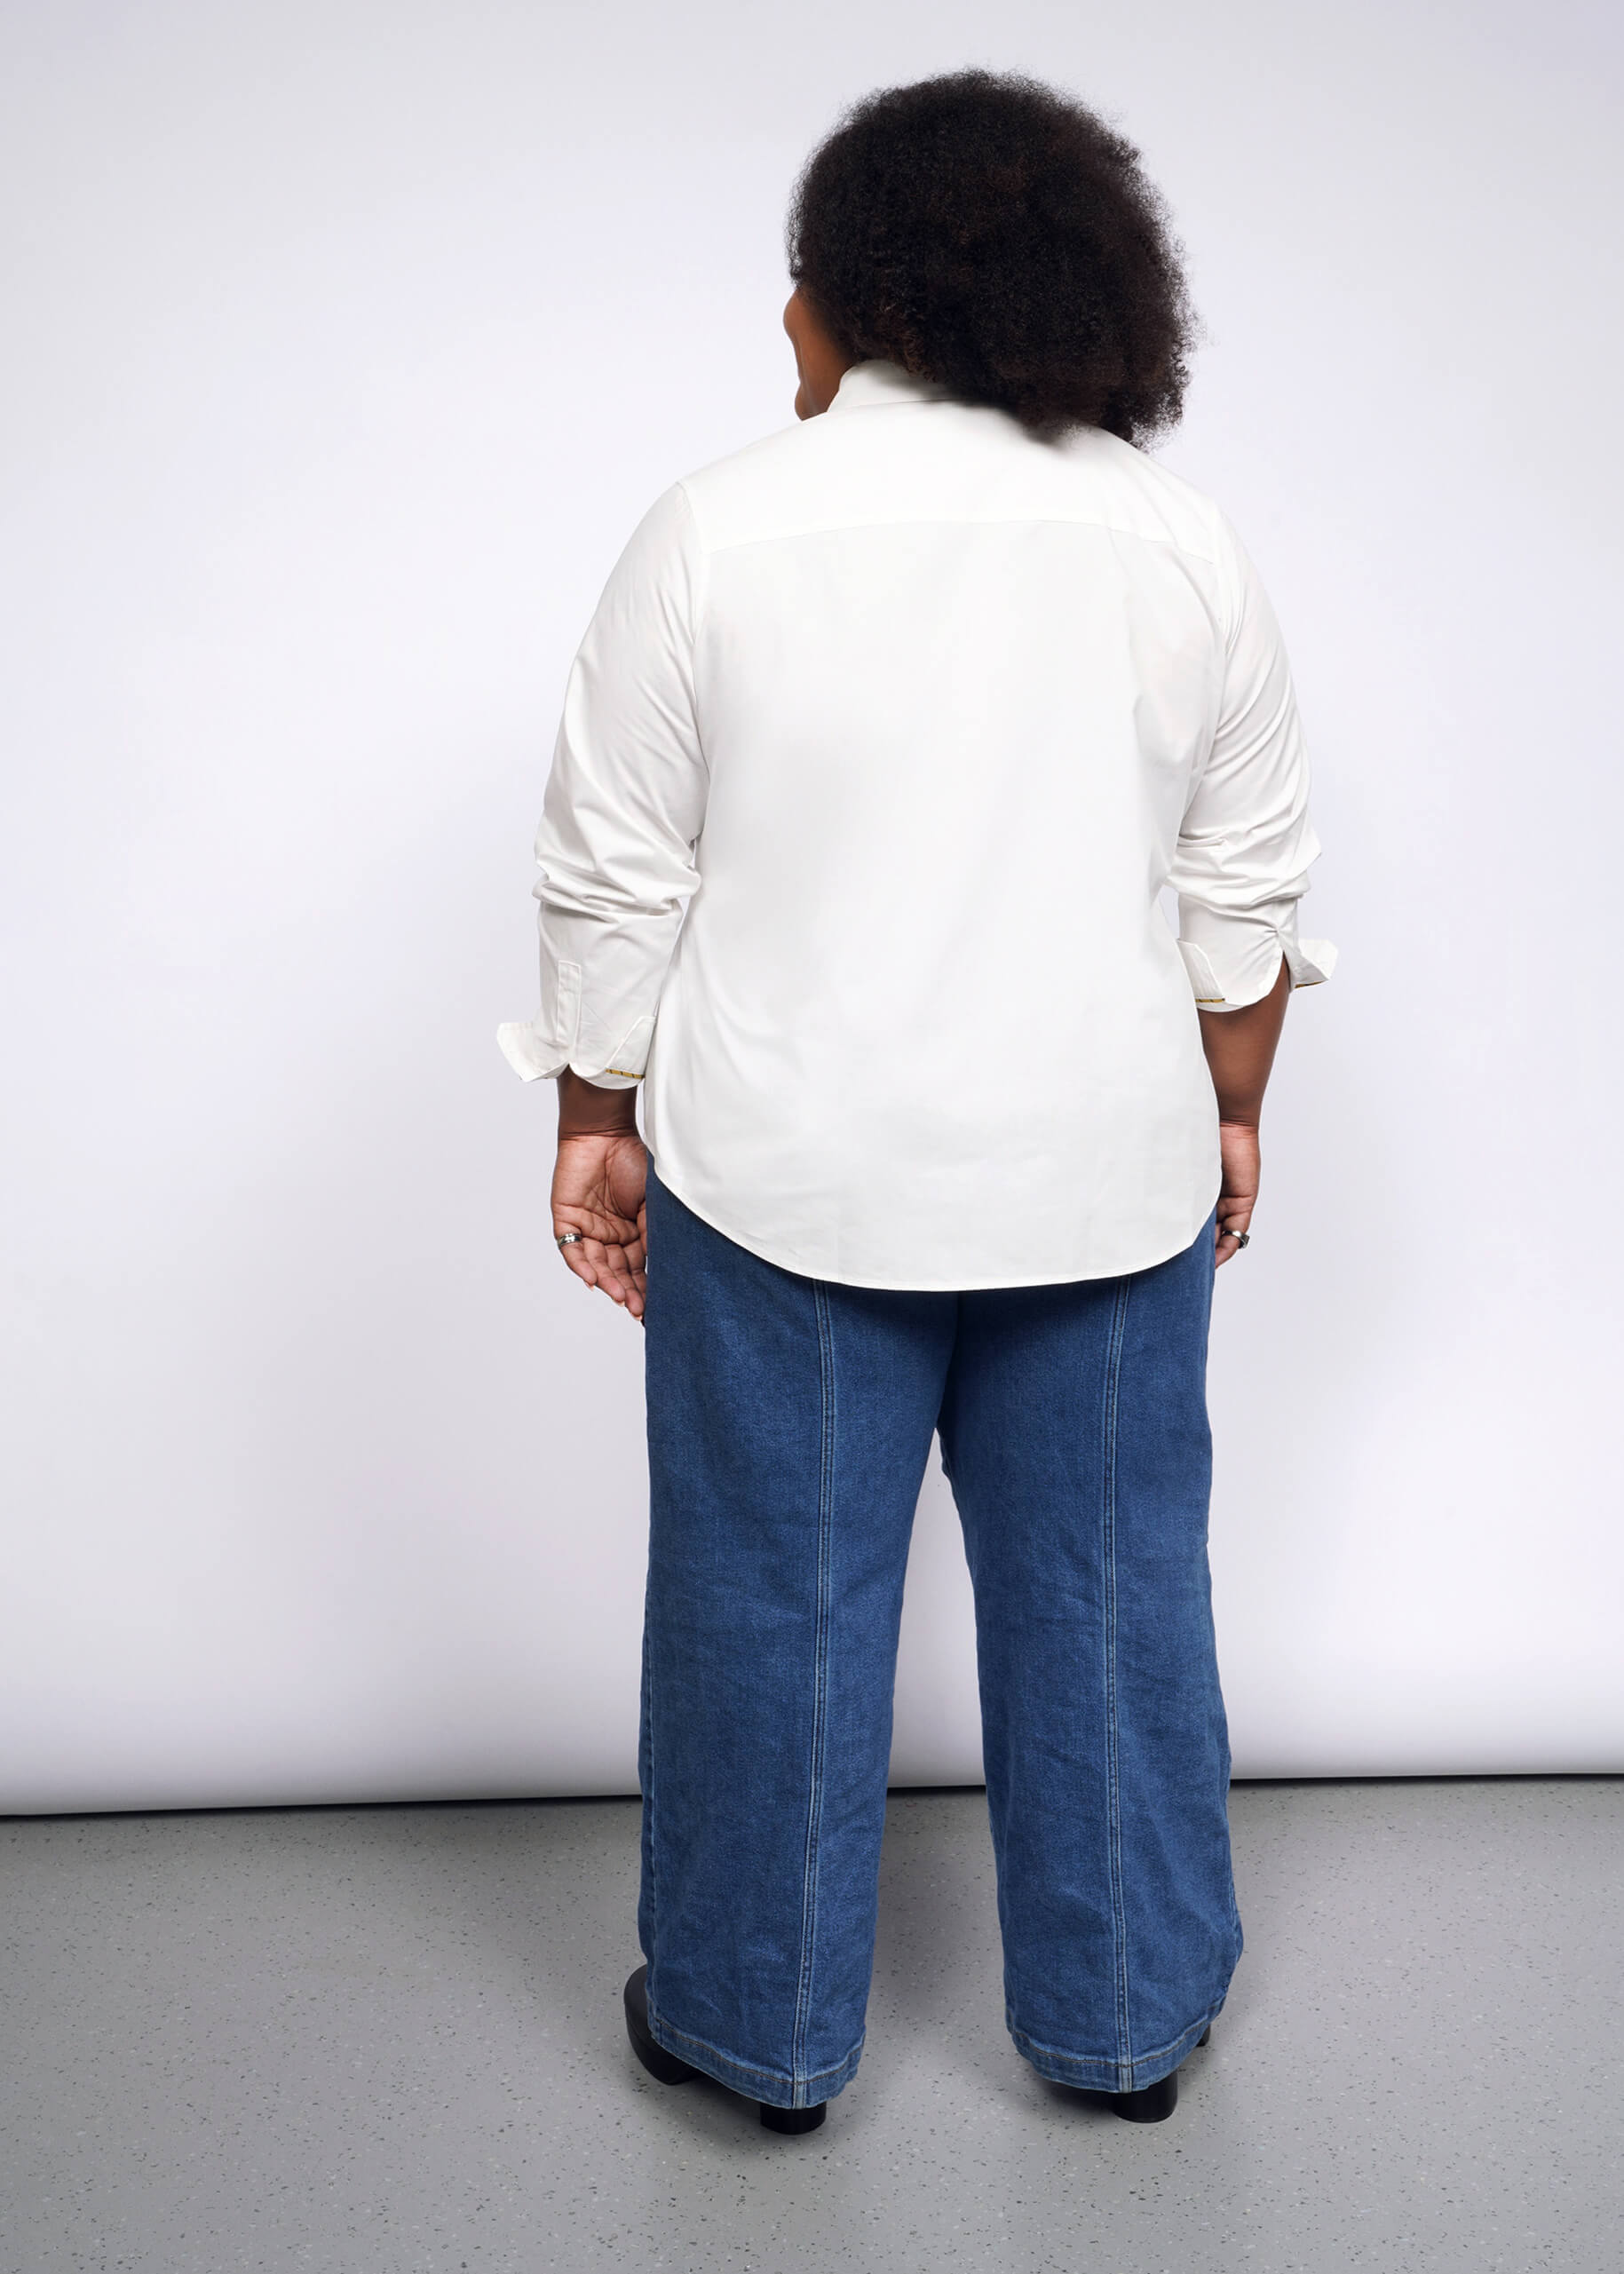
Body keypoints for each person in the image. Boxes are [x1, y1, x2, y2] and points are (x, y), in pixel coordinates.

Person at [498, 70, 1334, 2134]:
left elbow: (617, 873)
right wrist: (1230, 1107)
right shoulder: (1177, 540)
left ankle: (754, 2030)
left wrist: (594, 1117)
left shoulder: (712, 529)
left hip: (783, 1177)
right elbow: (1244, 899)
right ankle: (1126, 2024)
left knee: (762, 1596)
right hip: (1109, 1175)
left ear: (829, 306)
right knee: (1116, 1595)